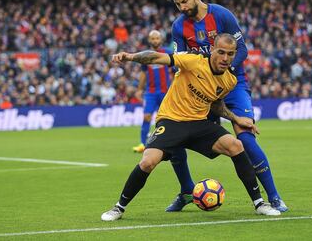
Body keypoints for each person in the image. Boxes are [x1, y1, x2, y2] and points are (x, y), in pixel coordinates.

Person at [101, 34, 281, 221]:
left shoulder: (229, 80)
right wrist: (130, 56)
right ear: (212, 49)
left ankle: (259, 203)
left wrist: (236, 118)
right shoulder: (193, 61)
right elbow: (156, 57)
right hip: (171, 120)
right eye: (221, 52)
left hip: (198, 123)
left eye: (230, 54)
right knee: (147, 162)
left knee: (236, 146)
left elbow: (216, 104)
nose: (225, 58)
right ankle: (118, 208)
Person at [163, 0, 288, 212]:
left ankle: (274, 197)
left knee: (246, 137)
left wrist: (224, 71)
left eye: (184, 1)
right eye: (178, 4)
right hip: (200, 88)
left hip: (233, 84)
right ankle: (187, 190)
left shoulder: (222, 15)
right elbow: (180, 64)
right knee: (174, 134)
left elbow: (242, 49)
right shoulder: (179, 27)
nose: (182, 8)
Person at [132, 30, 173, 153]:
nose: (155, 40)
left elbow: (176, 70)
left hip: (165, 91)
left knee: (168, 118)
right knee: (146, 117)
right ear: (149, 40)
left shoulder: (167, 53)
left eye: (157, 38)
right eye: (153, 38)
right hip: (150, 92)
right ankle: (143, 144)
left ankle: (170, 143)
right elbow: (144, 73)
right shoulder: (146, 55)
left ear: (161, 40)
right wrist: (139, 89)